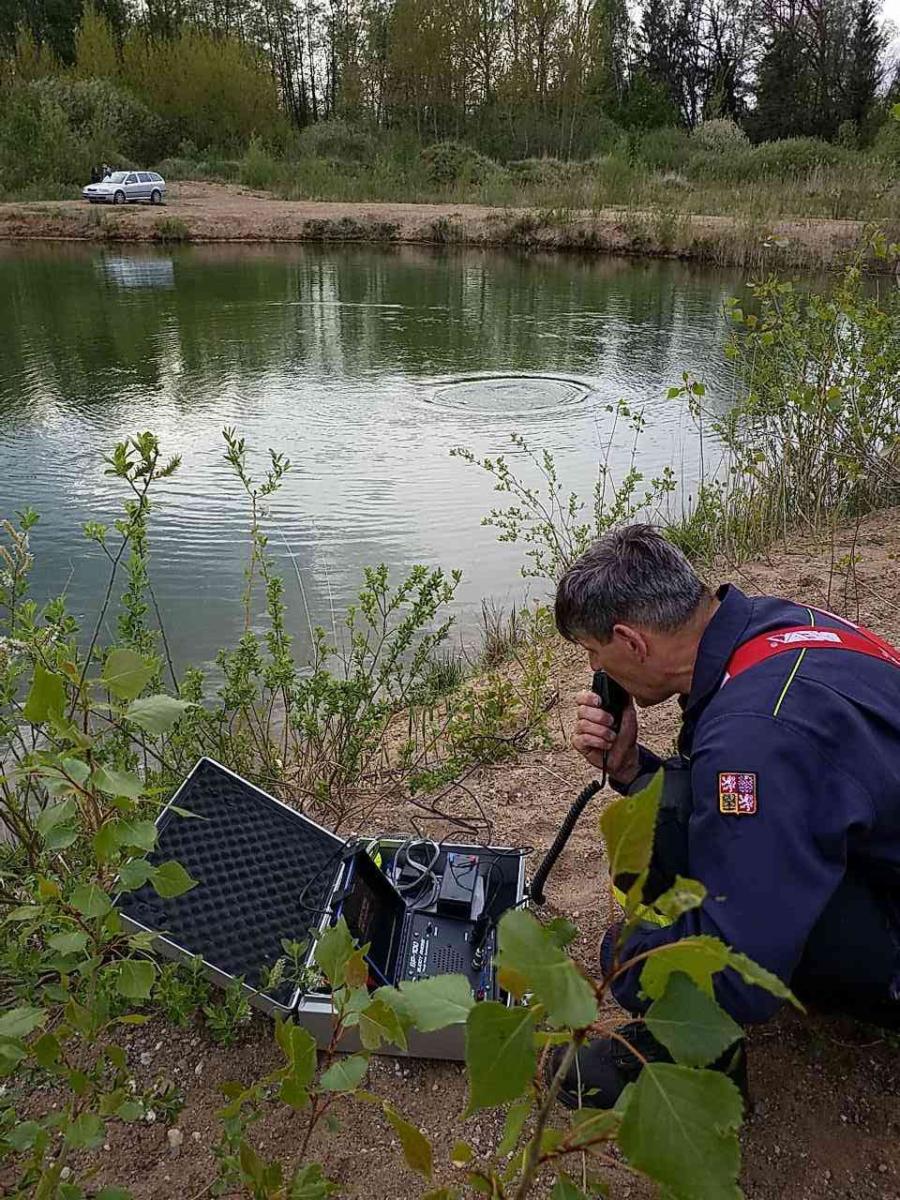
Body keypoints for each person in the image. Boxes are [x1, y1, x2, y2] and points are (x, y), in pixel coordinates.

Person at [554, 524, 900, 1108]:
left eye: (594, 653)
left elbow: (741, 972)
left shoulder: (752, 739)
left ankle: (702, 1055)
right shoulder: (776, 626)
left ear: (630, 641)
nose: (597, 669)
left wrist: (624, 958)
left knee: (680, 922)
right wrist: (631, 768)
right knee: (684, 806)